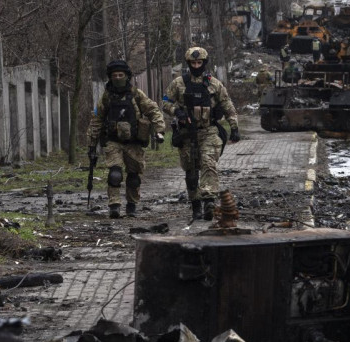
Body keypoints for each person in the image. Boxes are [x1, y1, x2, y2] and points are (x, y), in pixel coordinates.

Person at [162, 47, 242, 222]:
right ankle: (195, 205)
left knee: (208, 163)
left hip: (209, 131)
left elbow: (227, 104)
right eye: (193, 63)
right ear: (188, 63)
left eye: (199, 63)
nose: (196, 66)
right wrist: (177, 112)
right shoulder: (178, 83)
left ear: (204, 63)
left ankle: (209, 201)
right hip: (187, 134)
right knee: (191, 171)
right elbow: (165, 102)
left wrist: (234, 127)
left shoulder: (214, 84)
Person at [86, 59, 166, 219]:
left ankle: (131, 205)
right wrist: (92, 142)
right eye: (114, 75)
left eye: (120, 75)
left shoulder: (136, 94)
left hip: (134, 142)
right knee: (114, 174)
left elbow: (153, 110)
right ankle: (114, 205)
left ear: (127, 76)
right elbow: (97, 119)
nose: (117, 78)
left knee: (134, 177)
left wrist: (159, 129)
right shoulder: (107, 97)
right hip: (113, 141)